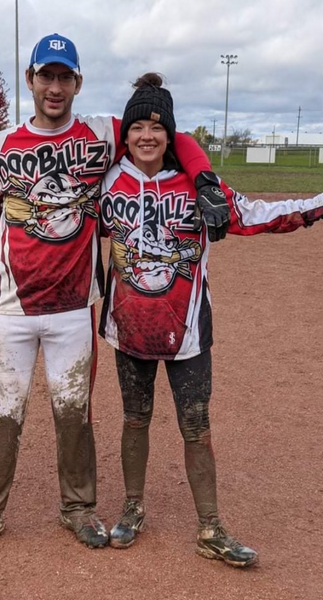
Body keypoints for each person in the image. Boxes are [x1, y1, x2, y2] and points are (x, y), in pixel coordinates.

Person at [0, 34, 227, 557]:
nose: (54, 86)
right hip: (11, 306)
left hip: (74, 307)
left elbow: (163, 131)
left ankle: (78, 509)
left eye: (64, 76)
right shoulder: (1, 146)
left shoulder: (99, 134)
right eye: (45, 76)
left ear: (77, 83)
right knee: (1, 410)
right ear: (30, 80)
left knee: (75, 412)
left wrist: (203, 176)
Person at [98, 72, 323, 567]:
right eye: (137, 128)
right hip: (128, 328)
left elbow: (260, 215)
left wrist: (315, 206)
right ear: (127, 133)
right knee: (135, 419)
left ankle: (211, 527)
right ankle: (132, 509)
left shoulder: (204, 188)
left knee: (195, 426)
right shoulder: (106, 182)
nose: (146, 138)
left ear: (172, 135)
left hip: (188, 333)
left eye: (158, 129)